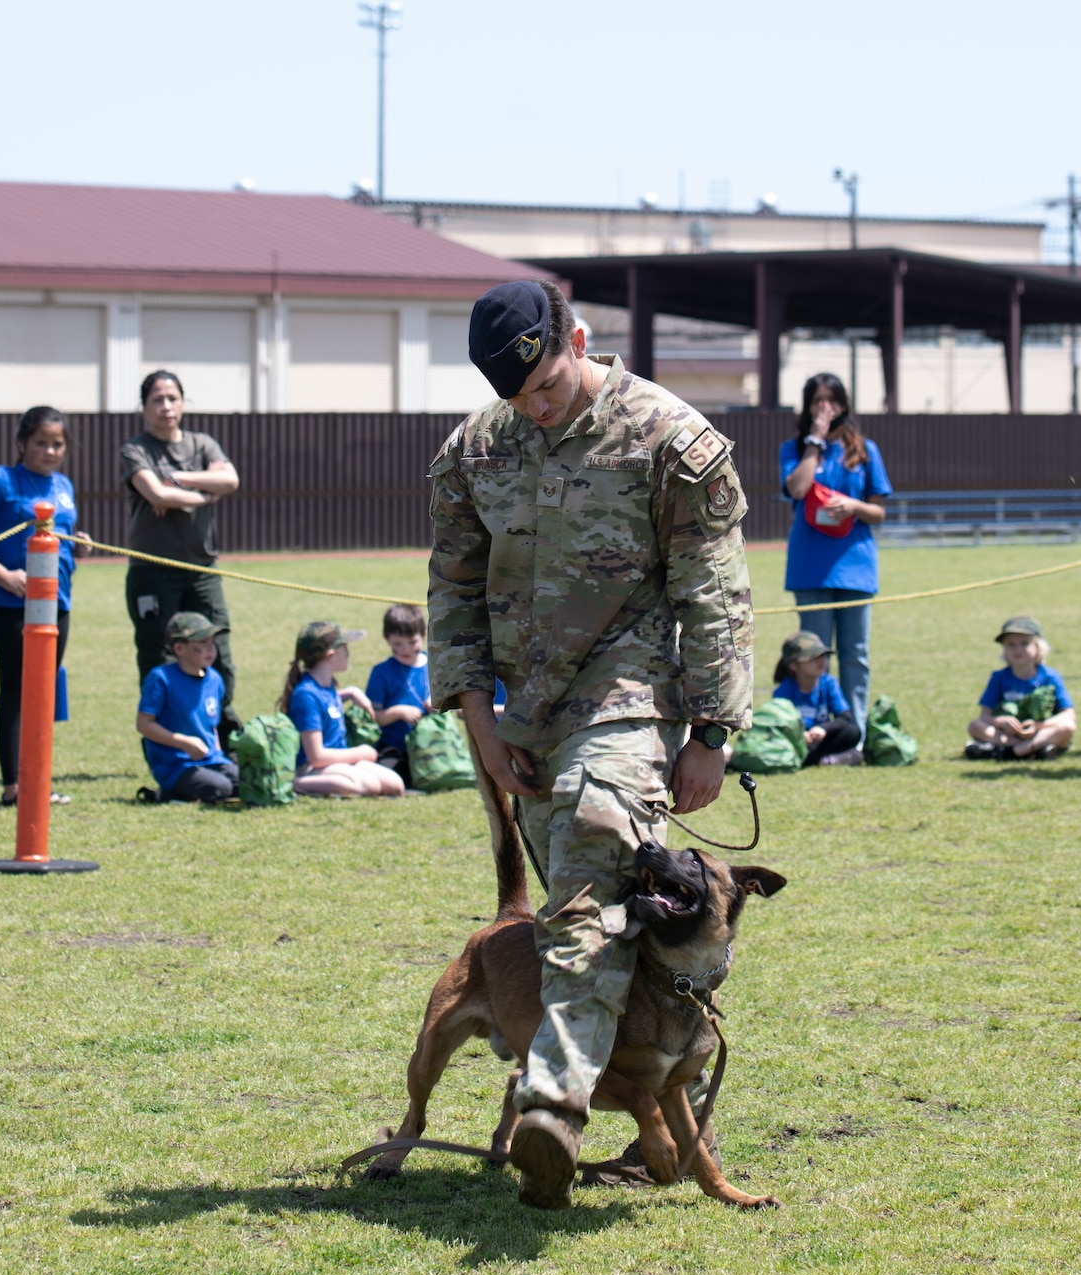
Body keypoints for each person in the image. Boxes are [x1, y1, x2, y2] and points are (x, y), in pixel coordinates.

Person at [428, 277, 753, 1208]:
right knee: (599, 906)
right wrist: (480, 727)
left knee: (589, 880)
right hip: (526, 721)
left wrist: (713, 731)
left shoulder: (669, 440)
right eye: (518, 396)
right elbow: (451, 591)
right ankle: (664, 1109)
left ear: (577, 337)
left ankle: (556, 1103)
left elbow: (714, 592)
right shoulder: (476, 451)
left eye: (548, 385)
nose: (536, 408)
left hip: (630, 699)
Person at [0, 406, 93, 806]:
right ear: (22, 443)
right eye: (40, 443)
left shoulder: (63, 485)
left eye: (57, 444)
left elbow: (62, 537)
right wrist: (6, 578)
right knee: (18, 690)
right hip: (12, 605)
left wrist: (79, 545)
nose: (49, 452)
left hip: (58, 603)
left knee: (44, 692)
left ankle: (37, 780)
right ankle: (14, 786)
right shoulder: (0, 483)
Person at [121, 370, 240, 744]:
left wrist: (180, 479)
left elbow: (231, 481)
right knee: (159, 658)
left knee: (216, 651)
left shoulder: (202, 443)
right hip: (152, 573)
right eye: (157, 399)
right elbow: (156, 495)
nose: (166, 406)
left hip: (202, 569)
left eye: (172, 398)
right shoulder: (135, 450)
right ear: (144, 407)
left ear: (183, 403)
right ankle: (166, 742)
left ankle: (223, 735)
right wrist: (205, 491)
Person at [778, 373, 891, 742]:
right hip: (811, 567)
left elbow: (879, 512)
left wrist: (854, 506)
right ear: (808, 407)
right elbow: (796, 488)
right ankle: (814, 733)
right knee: (812, 658)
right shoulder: (793, 449)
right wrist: (815, 442)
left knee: (855, 654)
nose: (825, 407)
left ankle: (853, 734)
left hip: (855, 567)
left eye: (832, 400)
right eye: (817, 401)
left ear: (845, 405)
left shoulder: (865, 450)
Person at [282, 621, 405, 798]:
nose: (348, 652)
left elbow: (325, 704)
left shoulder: (325, 685)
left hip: (338, 762)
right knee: (369, 786)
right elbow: (316, 756)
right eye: (344, 646)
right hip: (312, 767)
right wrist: (360, 752)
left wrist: (351, 692)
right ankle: (293, 784)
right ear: (330, 655)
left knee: (395, 785)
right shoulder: (306, 695)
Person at [136, 613, 237, 802]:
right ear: (179, 648)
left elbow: (211, 723)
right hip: (176, 764)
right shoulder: (161, 678)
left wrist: (217, 753)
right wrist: (184, 743)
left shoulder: (214, 679)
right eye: (202, 644)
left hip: (211, 759)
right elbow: (144, 724)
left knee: (245, 783)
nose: (210, 649)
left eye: (212, 642)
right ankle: (165, 795)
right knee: (220, 788)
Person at [965, 615, 1078, 760]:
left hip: (1041, 732)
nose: (1017, 649)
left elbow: (1068, 715)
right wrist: (1001, 722)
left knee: (1067, 727)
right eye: (1010, 644)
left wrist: (1038, 726)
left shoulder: (1051, 676)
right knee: (975, 726)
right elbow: (985, 715)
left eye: (1025, 643)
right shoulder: (999, 677)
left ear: (1038, 647)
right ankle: (1033, 751)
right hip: (1009, 734)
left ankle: (1008, 752)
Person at [364, 604, 431, 788]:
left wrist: (438, 704)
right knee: (393, 776)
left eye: (412, 642)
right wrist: (398, 712)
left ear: (424, 634)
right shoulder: (381, 672)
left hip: (430, 745)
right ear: (387, 639)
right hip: (394, 746)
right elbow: (373, 717)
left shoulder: (435, 666)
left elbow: (456, 708)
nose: (406, 649)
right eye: (397, 644)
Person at [771, 631, 860, 766]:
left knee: (852, 732)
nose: (820, 661)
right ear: (794, 665)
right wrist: (800, 735)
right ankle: (831, 760)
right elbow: (778, 725)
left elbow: (845, 717)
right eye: (812, 657)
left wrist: (823, 729)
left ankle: (821, 759)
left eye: (823, 655)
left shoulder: (828, 683)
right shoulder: (784, 691)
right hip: (798, 741)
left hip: (820, 739)